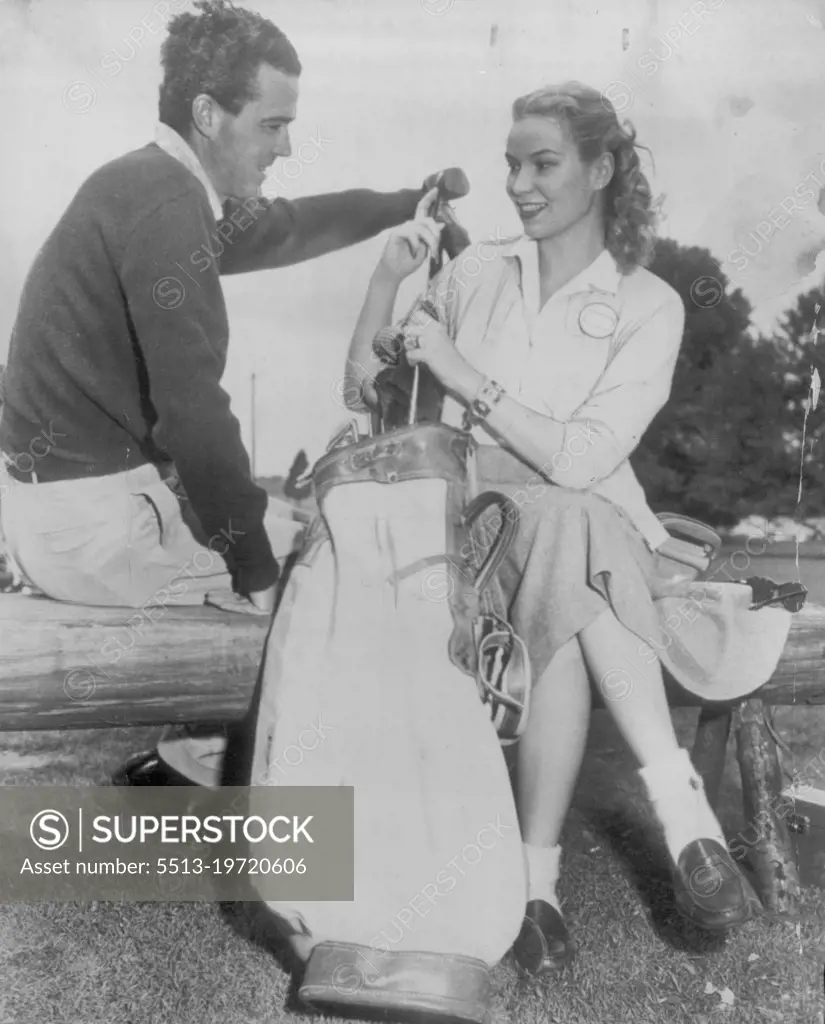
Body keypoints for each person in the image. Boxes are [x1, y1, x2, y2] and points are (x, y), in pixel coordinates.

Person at [346, 81, 760, 972]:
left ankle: (536, 897)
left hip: (579, 549)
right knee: (572, 536)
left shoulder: (650, 304)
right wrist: (386, 282)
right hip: (475, 544)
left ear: (600, 168)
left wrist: (466, 377)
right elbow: (363, 391)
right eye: (510, 165)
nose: (518, 184)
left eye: (542, 163)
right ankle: (682, 810)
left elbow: (578, 459)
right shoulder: (472, 274)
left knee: (568, 572)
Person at [0, 0, 451, 788]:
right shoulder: (167, 205)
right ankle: (258, 777)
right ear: (208, 113)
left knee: (299, 532)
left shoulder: (152, 184)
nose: (285, 145)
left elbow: (281, 228)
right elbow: (196, 414)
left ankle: (203, 754)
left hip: (72, 513)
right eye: (272, 125)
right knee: (338, 566)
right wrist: (253, 570)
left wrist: (396, 204)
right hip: (92, 532)